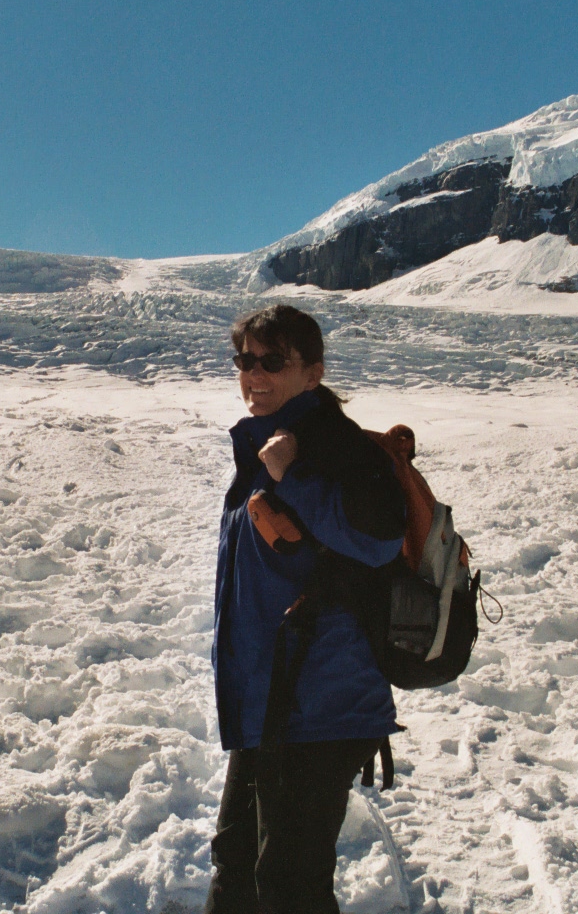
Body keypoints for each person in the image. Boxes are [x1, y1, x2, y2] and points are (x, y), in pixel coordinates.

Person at [204, 304, 406, 914]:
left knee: (290, 885)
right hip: (273, 699)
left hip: (322, 703)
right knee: (238, 861)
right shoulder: (263, 444)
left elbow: (377, 538)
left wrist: (293, 475)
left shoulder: (331, 444)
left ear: (313, 373)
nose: (253, 374)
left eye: (273, 361)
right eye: (245, 360)